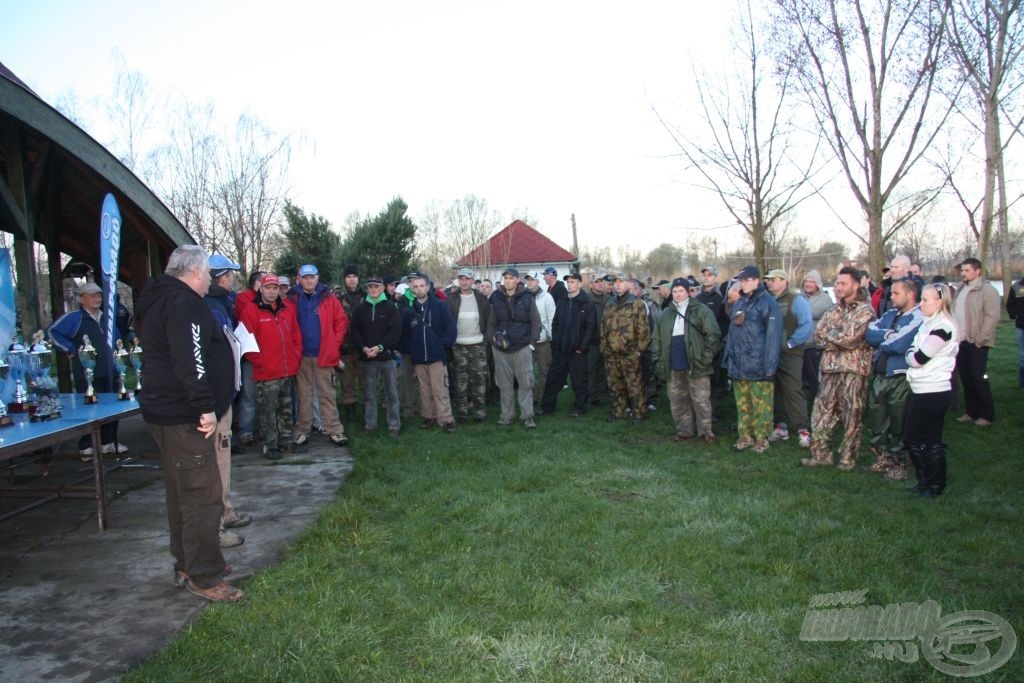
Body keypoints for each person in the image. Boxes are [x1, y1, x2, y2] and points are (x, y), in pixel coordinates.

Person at [136, 245, 243, 602]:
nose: (210, 280)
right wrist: (205, 406)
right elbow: (191, 359)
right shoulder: (182, 304)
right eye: (208, 274)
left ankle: (187, 561)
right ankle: (204, 575)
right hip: (185, 415)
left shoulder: (161, 299)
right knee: (202, 494)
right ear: (195, 272)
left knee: (182, 490)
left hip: (166, 411)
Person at [802, 266, 876, 470]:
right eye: (837, 283)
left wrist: (833, 337)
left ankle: (848, 458)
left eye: (843, 283)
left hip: (854, 371)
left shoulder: (865, 311)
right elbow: (818, 335)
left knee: (851, 416)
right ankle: (821, 455)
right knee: (820, 412)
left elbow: (851, 339)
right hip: (830, 369)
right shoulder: (834, 309)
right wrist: (837, 337)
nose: (838, 287)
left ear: (856, 284)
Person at [201, 254, 252, 548]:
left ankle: (226, 510)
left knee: (223, 459)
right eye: (230, 275)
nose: (232, 280)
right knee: (215, 462)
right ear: (221, 277)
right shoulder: (211, 309)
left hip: (223, 394)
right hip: (215, 398)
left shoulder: (221, 305)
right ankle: (216, 525)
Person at [48, 281, 124, 456]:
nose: (97, 298)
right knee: (90, 409)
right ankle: (86, 445)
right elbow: (52, 332)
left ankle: (109, 442)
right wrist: (70, 350)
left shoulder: (107, 317)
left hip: (111, 371)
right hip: (87, 374)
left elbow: (118, 337)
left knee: (113, 407)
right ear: (82, 299)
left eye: (98, 295)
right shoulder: (75, 318)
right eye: (92, 295)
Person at [864, 278, 922, 479]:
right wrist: (889, 335)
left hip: (900, 376)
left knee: (899, 421)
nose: (892, 297)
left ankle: (902, 463)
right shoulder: (890, 314)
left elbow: (900, 344)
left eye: (897, 293)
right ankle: (883, 457)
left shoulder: (918, 317)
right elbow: (869, 332)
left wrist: (884, 340)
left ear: (910, 294)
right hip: (880, 374)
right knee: (877, 419)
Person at [904, 283, 959, 497]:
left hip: (934, 390)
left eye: (926, 300)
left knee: (930, 440)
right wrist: (912, 352)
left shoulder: (943, 327)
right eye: (921, 299)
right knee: (912, 439)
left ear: (940, 301)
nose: (921, 304)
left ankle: (935, 485)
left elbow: (917, 358)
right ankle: (924, 481)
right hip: (921, 388)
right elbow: (915, 350)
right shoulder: (927, 324)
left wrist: (910, 354)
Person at [238, 274, 302, 460]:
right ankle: (270, 445)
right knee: (267, 411)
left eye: (275, 288)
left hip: (286, 369)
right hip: (266, 372)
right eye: (268, 288)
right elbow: (246, 342)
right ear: (261, 289)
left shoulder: (286, 309)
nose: (272, 291)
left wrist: (295, 355)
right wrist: (261, 362)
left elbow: (296, 334)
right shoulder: (251, 311)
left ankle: (286, 442)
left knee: (286, 408)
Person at [652, 277, 722, 443]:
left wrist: (706, 359)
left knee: (701, 400)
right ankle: (684, 430)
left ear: (688, 292)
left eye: (681, 290)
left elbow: (713, 335)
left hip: (696, 363)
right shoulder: (665, 314)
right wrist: (657, 360)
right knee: (677, 400)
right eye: (674, 291)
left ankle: (706, 432)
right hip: (673, 365)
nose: (677, 294)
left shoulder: (701, 310)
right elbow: (656, 339)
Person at [287, 264, 349, 448]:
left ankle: (335, 430)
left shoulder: (328, 297)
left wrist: (333, 343)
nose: (308, 280)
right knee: (303, 395)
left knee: (327, 394)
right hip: (301, 356)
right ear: (299, 278)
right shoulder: (292, 298)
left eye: (311, 277)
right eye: (305, 277)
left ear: (317, 277)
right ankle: (302, 430)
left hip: (324, 355)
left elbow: (341, 321)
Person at [723, 266, 782, 453]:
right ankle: (745, 436)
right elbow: (732, 334)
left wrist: (770, 367)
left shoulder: (768, 303)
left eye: (747, 280)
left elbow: (773, 337)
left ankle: (761, 438)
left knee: (761, 405)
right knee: (743, 405)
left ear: (757, 281)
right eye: (741, 281)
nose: (744, 284)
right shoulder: (739, 303)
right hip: (740, 365)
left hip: (759, 365)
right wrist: (729, 359)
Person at [401, 273, 457, 432]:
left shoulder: (440, 306)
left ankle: (446, 419)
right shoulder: (409, 311)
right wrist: (411, 349)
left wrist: (442, 345)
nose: (419, 289)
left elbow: (451, 329)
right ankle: (429, 416)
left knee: (440, 389)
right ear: (412, 289)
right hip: (419, 358)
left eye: (421, 286)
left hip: (437, 356)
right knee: (424, 389)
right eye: (415, 287)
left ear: (428, 287)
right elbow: (404, 335)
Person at [764, 269, 814, 448]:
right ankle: (780, 426)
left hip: (791, 354)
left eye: (773, 280)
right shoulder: (768, 300)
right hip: (771, 354)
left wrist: (791, 343)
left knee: (793, 390)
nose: (769, 283)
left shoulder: (796, 300)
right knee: (774, 391)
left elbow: (806, 324)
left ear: (784, 281)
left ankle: (803, 430)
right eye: (768, 280)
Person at [486, 267, 541, 428]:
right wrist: (492, 340)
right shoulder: (496, 297)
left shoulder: (527, 297)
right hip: (501, 350)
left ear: (517, 280)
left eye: (511, 278)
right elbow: (491, 322)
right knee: (504, 385)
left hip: (522, 347)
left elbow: (536, 322)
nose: (508, 281)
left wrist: (532, 343)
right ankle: (507, 415)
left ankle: (527, 416)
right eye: (506, 278)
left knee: (526, 383)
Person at [350, 275, 403, 435]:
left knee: (391, 394)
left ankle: (394, 426)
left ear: (382, 288)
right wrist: (363, 348)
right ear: (367, 289)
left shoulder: (391, 307)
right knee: (369, 395)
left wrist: (380, 347)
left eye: (376, 287)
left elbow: (395, 331)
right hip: (367, 358)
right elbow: (355, 331)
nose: (373, 289)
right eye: (370, 287)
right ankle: (370, 425)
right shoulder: (360, 309)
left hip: (386, 357)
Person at [540, 272, 596, 417]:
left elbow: (591, 327)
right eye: (568, 282)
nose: (569, 284)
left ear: (579, 284)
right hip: (560, 349)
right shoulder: (563, 300)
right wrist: (556, 341)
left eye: (572, 281)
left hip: (577, 351)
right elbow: (556, 322)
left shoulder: (587, 302)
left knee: (579, 381)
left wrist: (582, 347)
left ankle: (580, 407)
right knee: (552, 379)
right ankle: (547, 407)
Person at [953, 257, 1000, 426]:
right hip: (962, 341)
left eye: (967, 270)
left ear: (977, 271)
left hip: (977, 341)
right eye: (962, 270)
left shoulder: (987, 290)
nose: (963, 273)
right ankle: (971, 412)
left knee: (978, 378)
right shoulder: (961, 289)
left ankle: (987, 414)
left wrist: (980, 339)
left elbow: (992, 317)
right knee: (966, 378)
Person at [600, 274, 651, 424]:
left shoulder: (637, 304)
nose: (618, 285)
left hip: (630, 353)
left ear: (628, 284)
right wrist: (604, 347)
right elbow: (603, 328)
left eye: (621, 282)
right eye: (615, 282)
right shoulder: (610, 304)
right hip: (611, 353)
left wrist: (638, 351)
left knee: (634, 385)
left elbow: (644, 331)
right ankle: (619, 411)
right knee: (615, 385)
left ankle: (639, 413)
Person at [447, 267, 491, 423]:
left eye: (467, 279)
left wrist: (486, 339)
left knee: (479, 380)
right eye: (461, 279)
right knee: (460, 381)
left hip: (478, 344)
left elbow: (488, 320)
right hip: (458, 346)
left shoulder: (481, 298)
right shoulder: (451, 298)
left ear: (473, 280)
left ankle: (480, 412)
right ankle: (462, 413)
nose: (464, 282)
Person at [232, 270, 265, 446]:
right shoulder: (243, 298)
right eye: (265, 283)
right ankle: (246, 430)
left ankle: (262, 429)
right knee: (249, 397)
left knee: (265, 397)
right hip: (250, 356)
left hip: (267, 356)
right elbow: (249, 315)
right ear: (257, 284)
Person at [337, 264, 365, 422]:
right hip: (345, 347)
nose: (352, 279)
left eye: (354, 276)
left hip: (363, 347)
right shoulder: (337, 297)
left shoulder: (366, 295)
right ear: (344, 279)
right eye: (348, 277)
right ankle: (350, 414)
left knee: (365, 382)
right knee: (347, 382)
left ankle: (368, 414)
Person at [800, 269, 833, 398]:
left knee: (815, 381)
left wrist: (796, 310)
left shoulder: (825, 298)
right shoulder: (800, 297)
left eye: (812, 282)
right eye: (806, 281)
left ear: (818, 284)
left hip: (814, 347)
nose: (808, 284)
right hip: (800, 347)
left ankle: (817, 405)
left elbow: (810, 313)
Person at [525, 272, 555, 409]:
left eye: (533, 280)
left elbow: (552, 318)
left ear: (538, 282)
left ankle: (544, 399)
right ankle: (530, 399)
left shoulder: (547, 297)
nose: (530, 282)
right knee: (527, 372)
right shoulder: (523, 297)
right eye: (528, 280)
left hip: (543, 342)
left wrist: (551, 336)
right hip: (526, 342)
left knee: (544, 371)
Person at [587, 275, 610, 405]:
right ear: (591, 285)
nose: (600, 284)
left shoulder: (609, 299)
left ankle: (603, 392)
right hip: (592, 341)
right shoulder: (586, 299)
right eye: (596, 282)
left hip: (607, 340)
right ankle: (592, 396)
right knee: (591, 369)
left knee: (605, 368)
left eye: (601, 282)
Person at [1007, 272, 1024, 388]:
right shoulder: (1017, 286)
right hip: (1021, 326)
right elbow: (1010, 304)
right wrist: (1014, 315)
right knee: (1023, 357)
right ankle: (1022, 384)